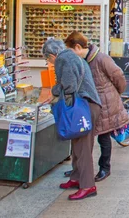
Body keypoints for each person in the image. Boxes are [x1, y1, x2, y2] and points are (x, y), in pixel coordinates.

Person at [64, 31, 128, 182]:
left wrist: (115, 93)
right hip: (89, 104)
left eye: (71, 51)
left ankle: (105, 168)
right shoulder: (80, 61)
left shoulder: (101, 58)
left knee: (104, 136)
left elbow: (118, 76)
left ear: (78, 47)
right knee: (84, 138)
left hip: (105, 103)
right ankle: (80, 169)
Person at [44, 38, 102, 200]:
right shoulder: (72, 56)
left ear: (52, 55)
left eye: (47, 59)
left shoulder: (63, 59)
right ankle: (76, 178)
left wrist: (58, 96)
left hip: (83, 107)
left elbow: (69, 85)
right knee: (78, 145)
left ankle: (88, 185)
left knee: (83, 148)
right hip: (88, 105)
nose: (49, 62)